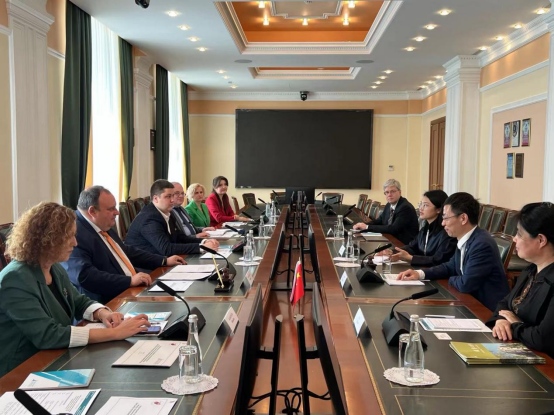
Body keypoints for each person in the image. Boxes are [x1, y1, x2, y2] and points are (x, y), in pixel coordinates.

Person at [0, 202, 151, 377]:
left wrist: (102, 313)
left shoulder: (53, 267)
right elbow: (47, 335)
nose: (75, 242)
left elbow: (78, 301)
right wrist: (114, 333)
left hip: (55, 357)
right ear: (47, 239)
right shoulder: (15, 278)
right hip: (21, 371)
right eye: (69, 236)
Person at [62, 186, 186, 304]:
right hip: (110, 301)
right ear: (92, 211)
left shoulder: (100, 223)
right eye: (111, 209)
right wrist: (129, 281)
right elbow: (84, 275)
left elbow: (125, 251)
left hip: (133, 289)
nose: (117, 212)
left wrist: (164, 260)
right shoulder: (74, 232)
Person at [397, 192, 509, 311]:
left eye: (446, 218)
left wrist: (451, 278)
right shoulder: (466, 238)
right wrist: (419, 274)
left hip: (486, 309)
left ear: (463, 218)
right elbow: (449, 267)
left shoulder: (481, 244)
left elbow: (465, 284)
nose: (442, 223)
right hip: (467, 301)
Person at [486, 203, 554, 357]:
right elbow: (504, 303)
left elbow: (542, 339)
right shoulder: (531, 269)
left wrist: (515, 324)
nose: (514, 239)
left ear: (541, 240)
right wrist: (501, 320)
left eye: (519, 234)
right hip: (522, 348)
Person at [125, 180, 219, 255]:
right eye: (168, 196)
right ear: (156, 199)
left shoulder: (167, 212)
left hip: (164, 260)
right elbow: (166, 249)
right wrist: (201, 247)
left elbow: (179, 238)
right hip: (148, 268)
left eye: (173, 196)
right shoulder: (149, 218)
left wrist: (204, 241)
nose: (172, 200)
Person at [378, 190, 456, 267]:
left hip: (436, 273)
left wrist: (410, 258)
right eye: (420, 204)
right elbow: (412, 247)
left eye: (425, 205)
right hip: (423, 269)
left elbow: (438, 260)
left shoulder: (447, 233)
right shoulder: (425, 229)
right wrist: (392, 252)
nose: (420, 208)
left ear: (439, 209)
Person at [353, 179, 419, 245]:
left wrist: (367, 227)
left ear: (400, 192)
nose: (389, 195)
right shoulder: (389, 205)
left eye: (392, 191)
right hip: (390, 239)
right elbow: (379, 221)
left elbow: (393, 229)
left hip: (403, 244)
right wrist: (363, 225)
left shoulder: (405, 207)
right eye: (387, 192)